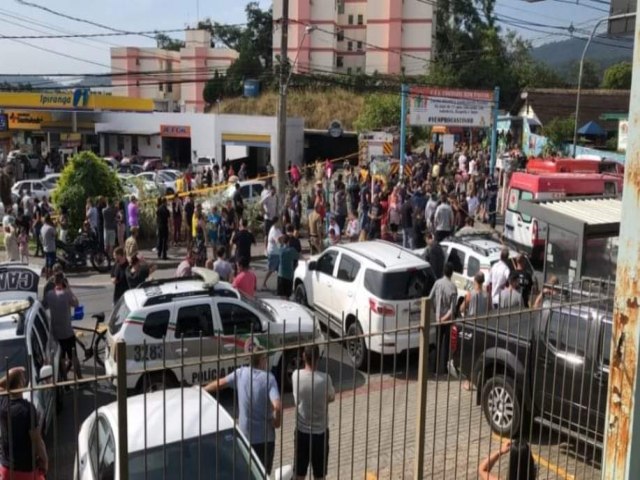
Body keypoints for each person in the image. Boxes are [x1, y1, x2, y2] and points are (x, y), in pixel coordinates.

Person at [204, 340, 282, 474]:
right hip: (265, 438)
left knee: (246, 473)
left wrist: (202, 391)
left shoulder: (241, 373)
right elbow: (278, 406)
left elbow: (220, 383)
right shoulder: (269, 379)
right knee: (263, 473)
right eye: (266, 359)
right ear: (262, 360)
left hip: (245, 437)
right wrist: (277, 422)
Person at [292, 344, 335, 480]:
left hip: (302, 432)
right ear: (318, 358)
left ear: (304, 356)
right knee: (319, 475)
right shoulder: (325, 379)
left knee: (299, 473)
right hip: (320, 434)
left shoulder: (296, 375)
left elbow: (296, 400)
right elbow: (331, 397)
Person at [0, 367, 48, 480]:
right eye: (23, 378)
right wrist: (45, 460)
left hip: (6, 468)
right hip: (25, 470)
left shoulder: (3, 403)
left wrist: (10, 374)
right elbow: (36, 440)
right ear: (20, 385)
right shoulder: (27, 409)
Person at [43, 272, 81, 381]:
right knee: (73, 356)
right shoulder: (67, 294)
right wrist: (69, 289)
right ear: (63, 282)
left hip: (56, 333)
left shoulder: (49, 295)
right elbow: (76, 303)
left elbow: (44, 305)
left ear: (54, 282)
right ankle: (80, 378)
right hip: (68, 332)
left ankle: (66, 381)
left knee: (61, 358)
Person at [429, 263, 458, 375]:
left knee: (438, 342)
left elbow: (430, 299)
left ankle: (435, 369)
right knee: (446, 344)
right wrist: (445, 318)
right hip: (448, 319)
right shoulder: (453, 287)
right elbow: (453, 308)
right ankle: (445, 370)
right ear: (452, 273)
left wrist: (436, 312)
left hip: (438, 318)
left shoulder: (437, 283)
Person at [263, 217, 282, 290]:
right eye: (279, 221)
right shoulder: (274, 230)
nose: (280, 222)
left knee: (279, 270)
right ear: (276, 222)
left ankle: (279, 285)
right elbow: (277, 240)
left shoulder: (277, 229)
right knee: (271, 269)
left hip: (277, 252)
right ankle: (264, 283)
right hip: (273, 252)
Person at [277, 235, 299, 299]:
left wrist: (281, 239)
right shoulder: (291, 250)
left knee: (281, 295)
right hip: (289, 275)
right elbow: (298, 256)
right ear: (289, 241)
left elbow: (278, 240)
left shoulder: (280, 249)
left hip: (280, 274)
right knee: (287, 295)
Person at [40, 215, 56, 279]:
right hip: (51, 247)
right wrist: (54, 226)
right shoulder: (50, 228)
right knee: (51, 264)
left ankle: (46, 276)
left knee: (46, 263)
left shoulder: (42, 228)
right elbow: (55, 234)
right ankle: (50, 277)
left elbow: (40, 237)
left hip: (45, 247)